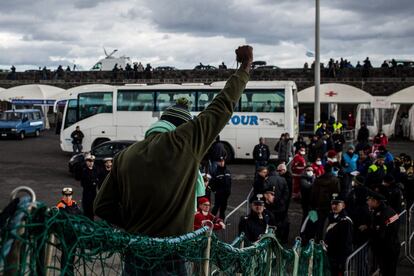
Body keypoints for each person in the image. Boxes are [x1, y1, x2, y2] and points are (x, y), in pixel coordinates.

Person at [94, 45, 253, 238]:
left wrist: (133, 224)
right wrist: (245, 67)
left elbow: (101, 206)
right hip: (173, 251)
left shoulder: (124, 155)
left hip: (136, 250)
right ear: (182, 127)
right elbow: (222, 105)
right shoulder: (185, 142)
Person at [366, 190, 400, 276]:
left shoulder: (381, 214)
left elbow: (379, 234)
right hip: (393, 245)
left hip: (386, 250)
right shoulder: (390, 209)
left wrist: (368, 231)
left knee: (387, 272)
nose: (367, 202)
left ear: (375, 201)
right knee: (391, 271)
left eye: (369, 200)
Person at [309, 164, 340, 241]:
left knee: (319, 223)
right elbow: (337, 193)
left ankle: (317, 239)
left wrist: (312, 204)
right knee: (330, 224)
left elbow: (313, 193)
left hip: (319, 205)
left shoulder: (318, 180)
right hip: (330, 206)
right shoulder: (335, 180)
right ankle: (327, 240)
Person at [324, 193, 353, 276]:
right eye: (332, 203)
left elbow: (347, 242)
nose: (334, 206)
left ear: (343, 205)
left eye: (337, 204)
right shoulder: (330, 217)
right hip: (330, 254)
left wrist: (342, 260)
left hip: (339, 257)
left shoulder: (346, 221)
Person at [345, 175, 371, 246]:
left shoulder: (353, 192)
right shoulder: (368, 191)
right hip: (365, 216)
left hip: (354, 216)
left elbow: (348, 203)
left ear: (357, 182)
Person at [80, 154, 100, 220]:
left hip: (93, 192)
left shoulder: (95, 169)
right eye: (89, 161)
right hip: (87, 191)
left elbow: (97, 179)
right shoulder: (84, 170)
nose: (91, 163)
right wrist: (93, 182)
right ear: (86, 162)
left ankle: (91, 220)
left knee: (92, 208)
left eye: (92, 161)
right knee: (86, 207)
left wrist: (94, 182)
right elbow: (84, 182)